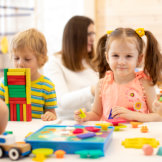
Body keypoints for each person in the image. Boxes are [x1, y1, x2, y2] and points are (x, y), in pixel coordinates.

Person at [75, 27, 162, 122]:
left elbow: (158, 116)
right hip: (111, 135)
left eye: (128, 56)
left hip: (137, 136)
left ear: (139, 59)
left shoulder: (144, 83)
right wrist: (85, 116)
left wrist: (133, 115)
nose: (121, 62)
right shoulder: (102, 84)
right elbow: (96, 114)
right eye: (115, 55)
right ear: (107, 57)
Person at [44, 16, 98, 120]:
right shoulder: (54, 63)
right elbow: (62, 101)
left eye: (93, 34)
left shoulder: (89, 62)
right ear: (75, 37)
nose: (93, 38)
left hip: (88, 121)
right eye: (88, 34)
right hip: (66, 124)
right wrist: (92, 90)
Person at [0, 28, 57, 121]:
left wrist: (50, 115)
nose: (20, 63)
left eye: (27, 59)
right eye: (16, 58)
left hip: (35, 132)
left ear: (40, 59)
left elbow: (52, 114)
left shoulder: (47, 86)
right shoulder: (4, 83)